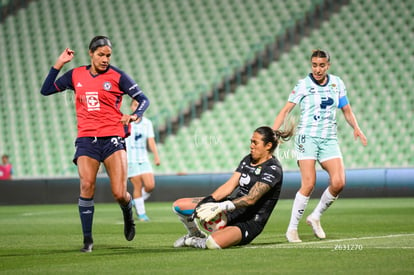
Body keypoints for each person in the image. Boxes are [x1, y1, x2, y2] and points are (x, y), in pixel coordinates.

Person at [40, 36, 150, 252]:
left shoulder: (118, 76)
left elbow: (143, 99)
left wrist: (135, 115)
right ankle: (88, 240)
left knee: (119, 193)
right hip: (86, 139)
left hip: (113, 138)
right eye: (101, 55)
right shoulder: (76, 74)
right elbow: (46, 89)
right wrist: (59, 63)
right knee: (86, 185)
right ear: (91, 54)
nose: (105, 59)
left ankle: (128, 212)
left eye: (108, 55)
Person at [272, 49, 367, 243]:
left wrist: (356, 128)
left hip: (329, 139)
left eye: (321, 65)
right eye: (314, 65)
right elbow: (285, 110)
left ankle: (315, 217)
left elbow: (346, 110)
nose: (317, 69)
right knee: (309, 183)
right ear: (311, 65)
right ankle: (291, 229)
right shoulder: (303, 85)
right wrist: (272, 132)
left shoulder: (337, 83)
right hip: (307, 137)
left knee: (339, 182)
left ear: (328, 66)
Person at [172, 126, 294, 249]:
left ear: (268, 146)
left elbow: (251, 199)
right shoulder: (248, 159)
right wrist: (210, 200)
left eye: (255, 142)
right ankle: (196, 234)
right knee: (179, 205)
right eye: (251, 141)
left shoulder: (272, 169)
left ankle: (192, 241)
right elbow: (229, 186)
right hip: (231, 210)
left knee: (213, 243)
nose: (251, 145)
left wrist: (219, 207)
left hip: (250, 222)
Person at [125, 99, 160, 222]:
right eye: (135, 104)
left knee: (150, 185)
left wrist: (156, 156)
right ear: (131, 107)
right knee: (137, 186)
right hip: (130, 159)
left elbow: (151, 140)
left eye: (139, 105)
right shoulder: (127, 122)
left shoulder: (147, 123)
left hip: (143, 159)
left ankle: (136, 201)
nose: (137, 107)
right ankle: (141, 213)